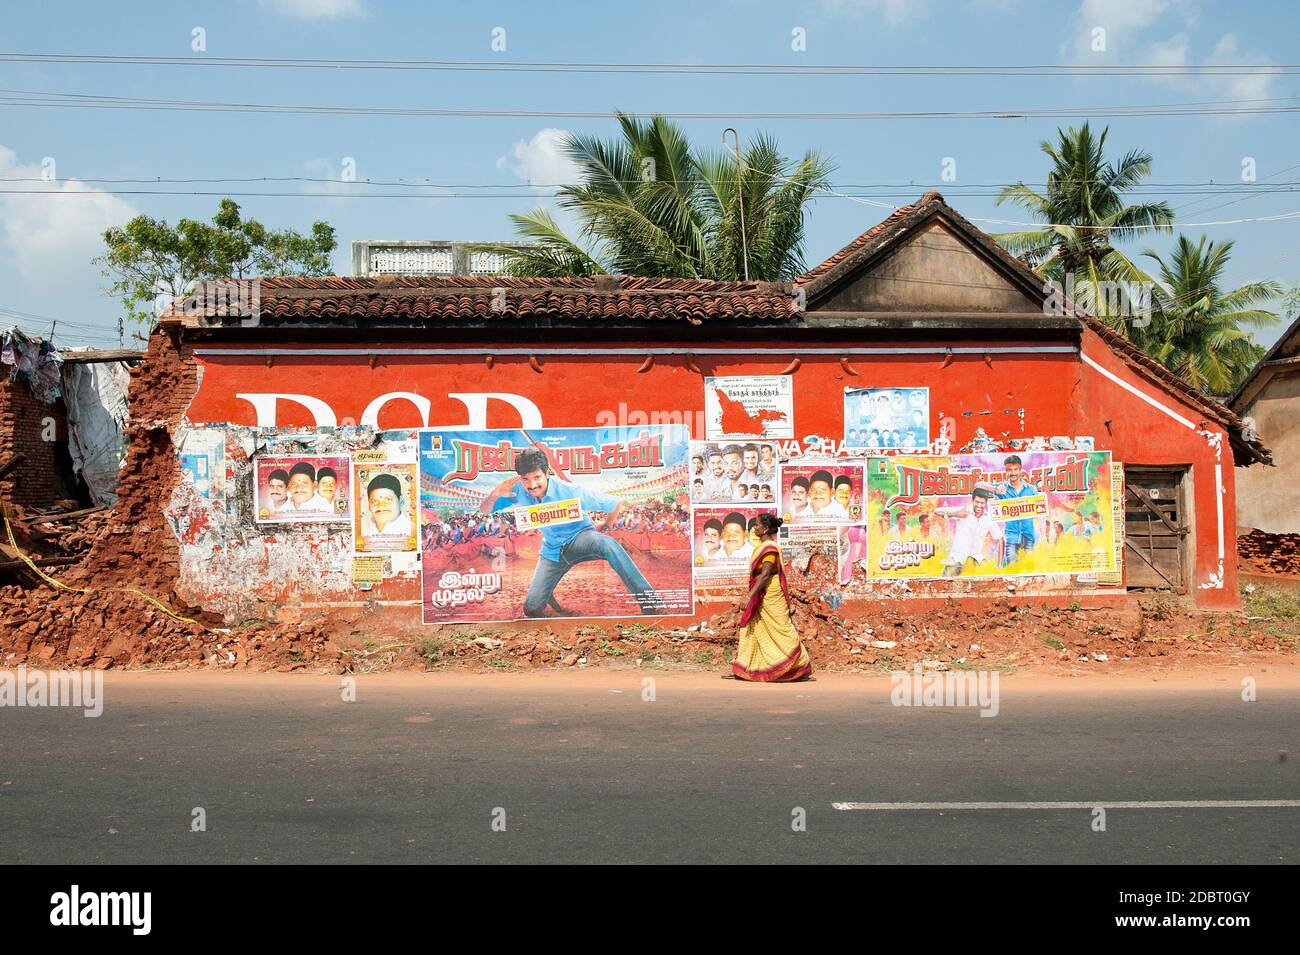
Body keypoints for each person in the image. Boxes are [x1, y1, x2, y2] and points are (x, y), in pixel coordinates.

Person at [480, 447, 661, 617]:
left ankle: (651, 603)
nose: (532, 484)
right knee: (532, 608)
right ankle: (546, 592)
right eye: (526, 479)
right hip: (552, 551)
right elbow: (485, 510)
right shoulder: (517, 490)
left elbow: (614, 503)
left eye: (537, 477)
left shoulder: (571, 491)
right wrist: (496, 493)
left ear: (547, 473)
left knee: (607, 543)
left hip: (581, 539)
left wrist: (604, 526)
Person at [729, 513, 813, 682]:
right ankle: (749, 668)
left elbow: (766, 574)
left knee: (781, 629)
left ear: (765, 529)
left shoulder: (770, 548)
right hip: (761, 591)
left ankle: (796, 666)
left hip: (770, 593)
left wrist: (749, 596)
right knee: (752, 629)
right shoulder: (762, 547)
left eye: (757, 525)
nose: (754, 528)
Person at [936, 483, 1003, 577]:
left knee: (989, 581)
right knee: (945, 584)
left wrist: (999, 565)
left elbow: (1000, 539)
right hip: (957, 559)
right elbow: (937, 511)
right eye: (977, 502)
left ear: (986, 503)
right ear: (972, 500)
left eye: (982, 503)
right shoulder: (964, 511)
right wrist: (956, 514)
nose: (979, 505)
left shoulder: (988, 518)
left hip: (976, 559)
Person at [997, 454, 1038, 565]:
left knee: (1030, 570)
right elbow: (978, 485)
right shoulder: (1002, 489)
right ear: (1006, 471)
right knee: (1012, 572)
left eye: (1015, 469)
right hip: (1011, 539)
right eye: (1009, 470)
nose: (1013, 473)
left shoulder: (1032, 490)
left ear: (1020, 470)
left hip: (1028, 537)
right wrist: (995, 489)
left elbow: (1040, 512)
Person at [360, 472, 412, 545]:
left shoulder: (412, 531)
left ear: (401, 501)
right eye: (374, 501)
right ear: (369, 505)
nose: (381, 506)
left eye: (387, 499)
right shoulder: (362, 530)